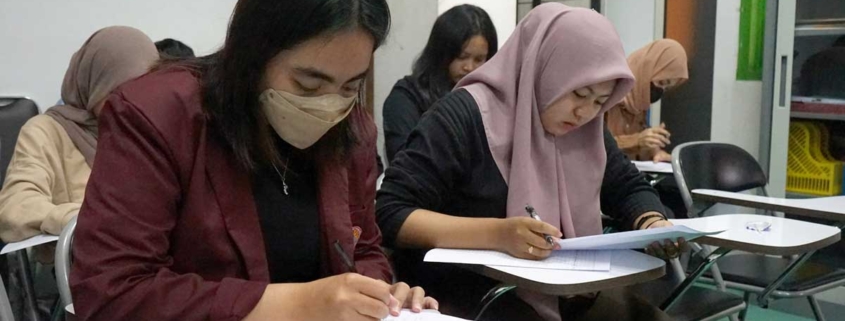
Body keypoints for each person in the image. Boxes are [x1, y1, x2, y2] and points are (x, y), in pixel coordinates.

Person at [70, 1, 436, 320]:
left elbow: (364, 247)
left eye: (350, 87)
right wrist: (294, 304)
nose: (329, 106)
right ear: (253, 56)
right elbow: (112, 293)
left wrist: (379, 295)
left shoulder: (352, 131)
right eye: (308, 85)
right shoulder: (158, 115)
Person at [377, 4, 683, 321]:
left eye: (599, 101)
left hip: (572, 293)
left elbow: (627, 187)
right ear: (543, 67)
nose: (585, 113)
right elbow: (391, 212)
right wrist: (496, 235)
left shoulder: (585, 129)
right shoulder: (464, 116)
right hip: (472, 293)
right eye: (579, 93)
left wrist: (651, 223)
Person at [0, 26, 158, 247]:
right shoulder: (46, 131)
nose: (133, 104)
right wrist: (90, 218)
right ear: (94, 84)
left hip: (151, 259)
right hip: (75, 267)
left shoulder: (149, 132)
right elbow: (15, 209)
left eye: (143, 91)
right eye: (120, 92)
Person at [382, 4, 497, 162]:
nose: (469, 67)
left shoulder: (491, 99)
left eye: (479, 59)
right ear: (442, 53)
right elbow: (404, 163)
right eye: (462, 57)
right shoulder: (406, 97)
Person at [605, 39, 688, 163]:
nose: (660, 91)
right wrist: (636, 140)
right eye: (661, 83)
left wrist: (654, 151)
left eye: (666, 88)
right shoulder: (605, 96)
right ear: (645, 71)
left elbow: (636, 151)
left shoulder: (638, 106)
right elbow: (592, 145)